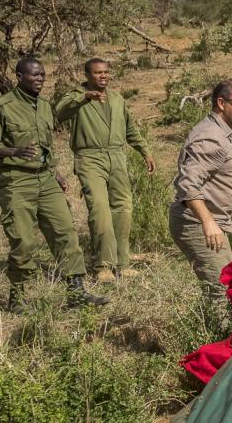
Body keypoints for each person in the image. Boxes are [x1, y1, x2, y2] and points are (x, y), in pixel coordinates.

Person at [0, 57, 109, 311]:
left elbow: (45, 147)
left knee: (66, 233)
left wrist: (55, 172)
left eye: (42, 75)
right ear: (19, 76)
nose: (40, 79)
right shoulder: (2, 107)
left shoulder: (44, 106)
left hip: (46, 179)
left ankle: (77, 293)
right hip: (16, 182)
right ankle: (17, 298)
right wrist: (13, 151)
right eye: (34, 75)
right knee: (24, 242)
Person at [169, 78, 232, 326]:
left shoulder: (219, 131)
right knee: (221, 288)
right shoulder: (209, 137)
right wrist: (208, 222)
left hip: (210, 220)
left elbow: (226, 149)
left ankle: (222, 337)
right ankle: (222, 347)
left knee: (228, 283)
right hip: (197, 222)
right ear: (221, 102)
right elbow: (188, 184)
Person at [55, 58, 157, 283]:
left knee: (123, 208)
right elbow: (59, 112)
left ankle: (122, 262)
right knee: (100, 210)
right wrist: (84, 97)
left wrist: (145, 151)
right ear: (87, 75)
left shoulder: (117, 99)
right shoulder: (75, 96)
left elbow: (130, 128)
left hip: (117, 157)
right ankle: (103, 265)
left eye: (106, 72)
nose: (103, 76)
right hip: (90, 158)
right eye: (98, 73)